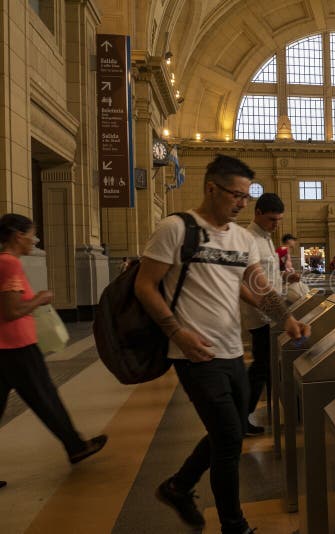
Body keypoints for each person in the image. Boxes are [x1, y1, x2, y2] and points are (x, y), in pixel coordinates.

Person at [134, 155, 310, 533]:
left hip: (232, 350)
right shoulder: (176, 228)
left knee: (223, 432)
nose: (243, 203)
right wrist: (176, 332)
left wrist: (286, 318)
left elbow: (256, 285)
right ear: (211, 188)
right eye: (237, 195)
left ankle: (178, 486)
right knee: (230, 439)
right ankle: (235, 525)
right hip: (193, 352)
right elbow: (145, 286)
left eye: (247, 196)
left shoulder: (241, 237)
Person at [0, 214, 107, 490]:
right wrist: (40, 299)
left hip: (5, 346)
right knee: (45, 397)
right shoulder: (9, 264)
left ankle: (74, 445)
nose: (33, 240)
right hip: (16, 347)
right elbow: (11, 311)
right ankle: (75, 447)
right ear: (16, 235)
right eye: (30, 235)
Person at [240, 193, 302, 438]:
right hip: (260, 314)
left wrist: (287, 278)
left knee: (266, 366)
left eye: (278, 220)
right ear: (257, 213)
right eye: (271, 219)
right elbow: (255, 280)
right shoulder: (248, 238)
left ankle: (246, 413)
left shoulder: (266, 239)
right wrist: (281, 314)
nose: (276, 224)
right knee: (262, 367)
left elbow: (270, 275)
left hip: (272, 313)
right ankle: (241, 415)